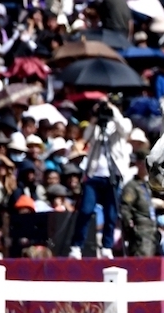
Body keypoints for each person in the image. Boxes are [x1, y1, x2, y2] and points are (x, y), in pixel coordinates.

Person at [69, 99, 132, 259]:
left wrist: (112, 110)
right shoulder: (97, 126)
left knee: (111, 214)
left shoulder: (122, 122)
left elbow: (125, 130)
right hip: (94, 174)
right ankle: (76, 246)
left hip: (113, 174)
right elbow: (87, 137)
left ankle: (107, 247)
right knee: (85, 210)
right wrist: (94, 119)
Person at [120, 150, 158, 257]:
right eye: (144, 164)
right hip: (140, 230)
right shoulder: (132, 186)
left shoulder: (145, 186)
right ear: (138, 164)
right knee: (142, 262)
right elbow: (125, 208)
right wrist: (130, 226)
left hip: (150, 230)